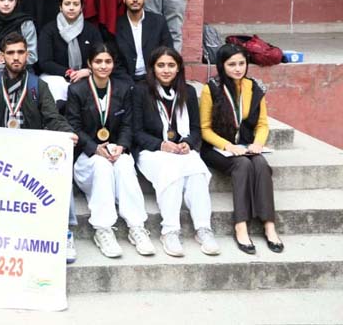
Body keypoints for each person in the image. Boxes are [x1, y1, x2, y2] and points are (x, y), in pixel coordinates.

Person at [0, 32, 79, 263]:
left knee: (60, 174)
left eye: (20, 52)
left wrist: (66, 131)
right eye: (10, 53)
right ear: (2, 56)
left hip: (30, 154)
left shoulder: (38, 86)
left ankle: (65, 233)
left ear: (27, 55)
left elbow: (52, 117)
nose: (16, 57)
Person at [66, 43, 154, 258]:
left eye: (108, 61)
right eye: (98, 61)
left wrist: (121, 146)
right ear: (89, 64)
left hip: (115, 151)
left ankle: (136, 226)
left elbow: (128, 124)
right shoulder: (77, 90)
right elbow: (74, 126)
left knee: (124, 163)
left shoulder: (123, 88)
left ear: (114, 64)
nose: (103, 66)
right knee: (101, 165)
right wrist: (95, 148)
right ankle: (103, 229)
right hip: (87, 158)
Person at [133, 46, 220, 257]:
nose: (166, 70)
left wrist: (188, 143)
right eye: (161, 65)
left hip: (180, 150)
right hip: (151, 150)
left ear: (179, 68)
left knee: (197, 171)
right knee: (172, 172)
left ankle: (203, 228)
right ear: (153, 68)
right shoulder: (140, 91)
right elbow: (136, 131)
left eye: (171, 65)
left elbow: (196, 129)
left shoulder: (187, 91)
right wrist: (161, 144)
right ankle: (169, 231)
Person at [200, 44, 282, 254]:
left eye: (241, 63)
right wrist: (228, 146)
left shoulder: (254, 87)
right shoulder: (212, 88)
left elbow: (262, 124)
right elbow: (205, 129)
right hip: (217, 148)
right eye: (232, 64)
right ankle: (241, 225)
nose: (237, 69)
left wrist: (258, 144)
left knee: (260, 163)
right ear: (222, 65)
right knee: (243, 165)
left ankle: (269, 225)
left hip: (246, 145)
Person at [38, 0, 103, 102]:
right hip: (56, 77)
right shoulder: (49, 30)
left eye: (76, 4)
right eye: (67, 4)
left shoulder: (91, 30)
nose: (71, 8)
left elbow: (101, 57)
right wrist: (69, 72)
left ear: (81, 7)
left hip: (86, 75)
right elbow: (45, 62)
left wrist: (88, 71)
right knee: (57, 85)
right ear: (60, 6)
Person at [114, 0, 173, 82]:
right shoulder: (116, 25)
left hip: (154, 79)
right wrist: (129, 84)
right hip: (126, 81)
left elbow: (167, 51)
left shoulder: (158, 22)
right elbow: (115, 61)